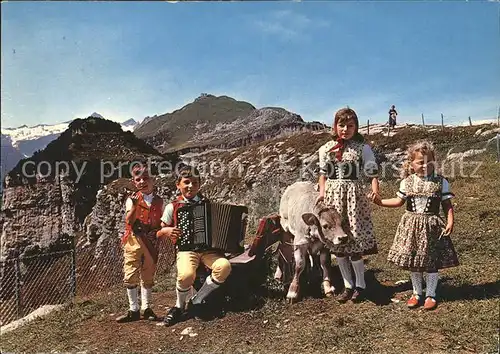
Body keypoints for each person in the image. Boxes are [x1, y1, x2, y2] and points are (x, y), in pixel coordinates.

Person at [371, 140, 459, 311]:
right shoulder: (407, 182)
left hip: (431, 226)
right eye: (420, 162)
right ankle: (417, 292)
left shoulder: (441, 182)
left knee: (431, 260)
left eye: (429, 162)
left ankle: (431, 294)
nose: (425, 165)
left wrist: (450, 221)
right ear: (411, 164)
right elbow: (398, 201)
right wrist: (380, 202)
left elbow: (447, 205)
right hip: (411, 226)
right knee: (414, 261)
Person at [316, 107, 380, 303]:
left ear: (356, 127)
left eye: (350, 125)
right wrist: (322, 192)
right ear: (335, 126)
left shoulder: (362, 148)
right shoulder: (326, 149)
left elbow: (372, 172)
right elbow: (323, 175)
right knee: (339, 245)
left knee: (355, 241)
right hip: (333, 199)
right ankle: (347, 285)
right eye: (341, 125)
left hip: (353, 198)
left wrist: (375, 189)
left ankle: (360, 285)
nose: (345, 129)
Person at [158, 165, 232, 326]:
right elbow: (159, 231)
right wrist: (167, 230)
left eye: (195, 183)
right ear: (178, 184)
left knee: (224, 266)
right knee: (185, 276)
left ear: (199, 185)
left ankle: (197, 300)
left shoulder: (208, 204)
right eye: (187, 182)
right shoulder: (173, 207)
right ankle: (178, 306)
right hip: (186, 249)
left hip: (208, 250)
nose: (191, 186)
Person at [116, 163, 165, 323]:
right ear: (134, 182)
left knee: (148, 273)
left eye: (146, 178)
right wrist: (135, 206)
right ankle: (133, 309)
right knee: (130, 271)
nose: (143, 182)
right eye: (139, 179)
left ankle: (147, 307)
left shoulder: (159, 201)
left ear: (152, 180)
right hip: (134, 239)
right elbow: (129, 220)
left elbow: (161, 220)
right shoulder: (132, 200)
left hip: (150, 240)